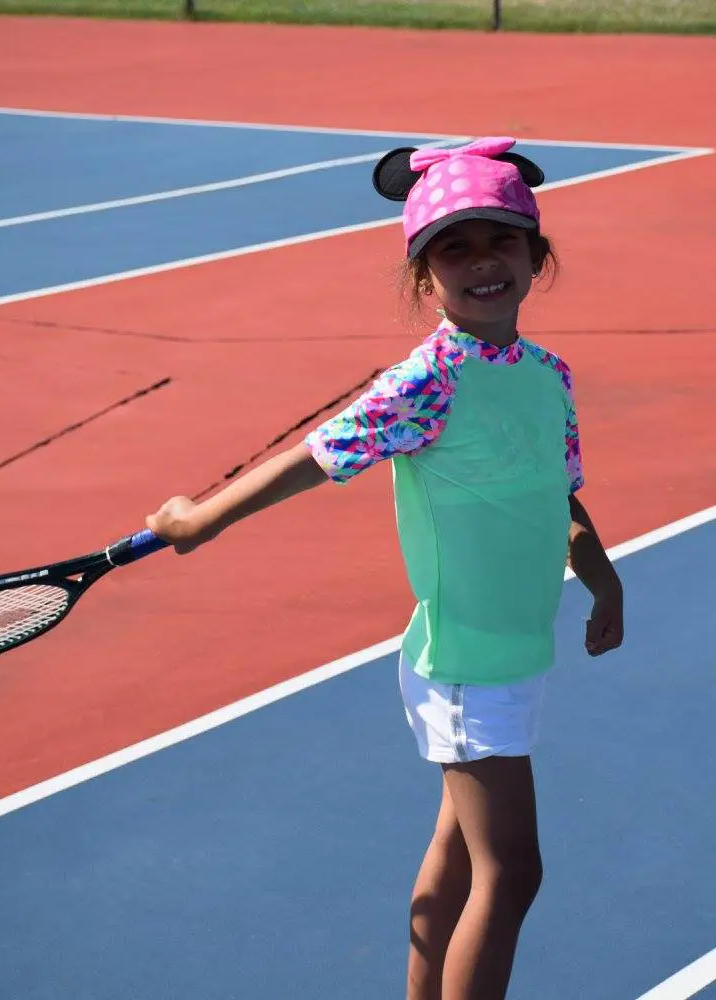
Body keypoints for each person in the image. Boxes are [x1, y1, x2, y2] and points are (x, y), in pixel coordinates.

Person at [145, 136, 626, 998]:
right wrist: (202, 519)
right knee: (512, 874)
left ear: (536, 257)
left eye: (500, 242)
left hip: (512, 650)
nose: (482, 263)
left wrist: (600, 572)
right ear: (421, 277)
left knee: (458, 851)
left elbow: (557, 491)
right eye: (454, 249)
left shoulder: (547, 375)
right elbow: (319, 452)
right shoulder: (429, 380)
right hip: (465, 664)